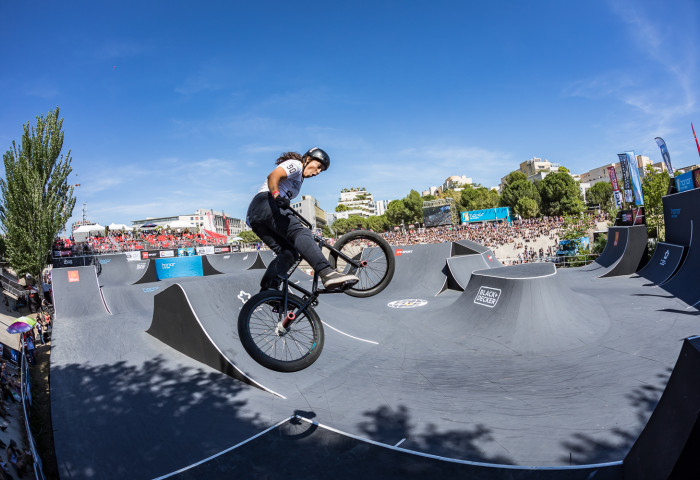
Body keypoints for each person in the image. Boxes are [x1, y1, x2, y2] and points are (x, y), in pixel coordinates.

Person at [247, 148, 359, 291]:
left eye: (321, 171)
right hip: (265, 202)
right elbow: (273, 176)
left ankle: (269, 290)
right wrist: (276, 195)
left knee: (289, 253)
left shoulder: (299, 181)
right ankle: (326, 272)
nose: (317, 172)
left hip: (256, 219)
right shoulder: (296, 165)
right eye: (318, 166)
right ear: (307, 159)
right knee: (300, 233)